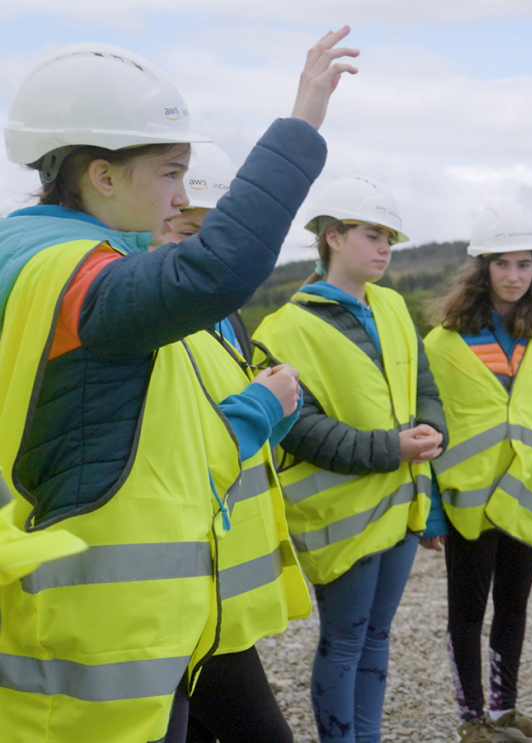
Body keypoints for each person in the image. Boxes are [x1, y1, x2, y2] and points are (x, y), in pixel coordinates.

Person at [0, 30, 353, 743]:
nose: (182, 196)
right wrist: (301, 124)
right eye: (170, 172)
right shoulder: (71, 276)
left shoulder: (34, 254)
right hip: (94, 639)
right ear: (102, 175)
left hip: (114, 622)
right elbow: (210, 271)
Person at [252, 175, 446, 743]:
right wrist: (392, 449)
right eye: (372, 234)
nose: (385, 247)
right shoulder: (283, 328)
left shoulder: (392, 305)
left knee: (377, 639)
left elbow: (423, 382)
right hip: (342, 518)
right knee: (344, 643)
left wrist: (434, 427)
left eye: (388, 236)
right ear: (333, 237)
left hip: (402, 507)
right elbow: (297, 428)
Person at [154, 143, 311, 743]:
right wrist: (260, 407)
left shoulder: (223, 313)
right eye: (186, 231)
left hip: (213, 586)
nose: (202, 250)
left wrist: (276, 411)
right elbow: (173, 444)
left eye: (212, 235)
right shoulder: (149, 315)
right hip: (174, 583)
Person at [420, 201, 532, 743]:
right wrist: (431, 512)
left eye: (525, 264)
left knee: (513, 610)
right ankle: (472, 721)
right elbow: (426, 427)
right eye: (503, 264)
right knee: (467, 614)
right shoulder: (443, 344)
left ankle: (506, 711)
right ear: (481, 268)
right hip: (467, 502)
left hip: (528, 499)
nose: (514, 276)